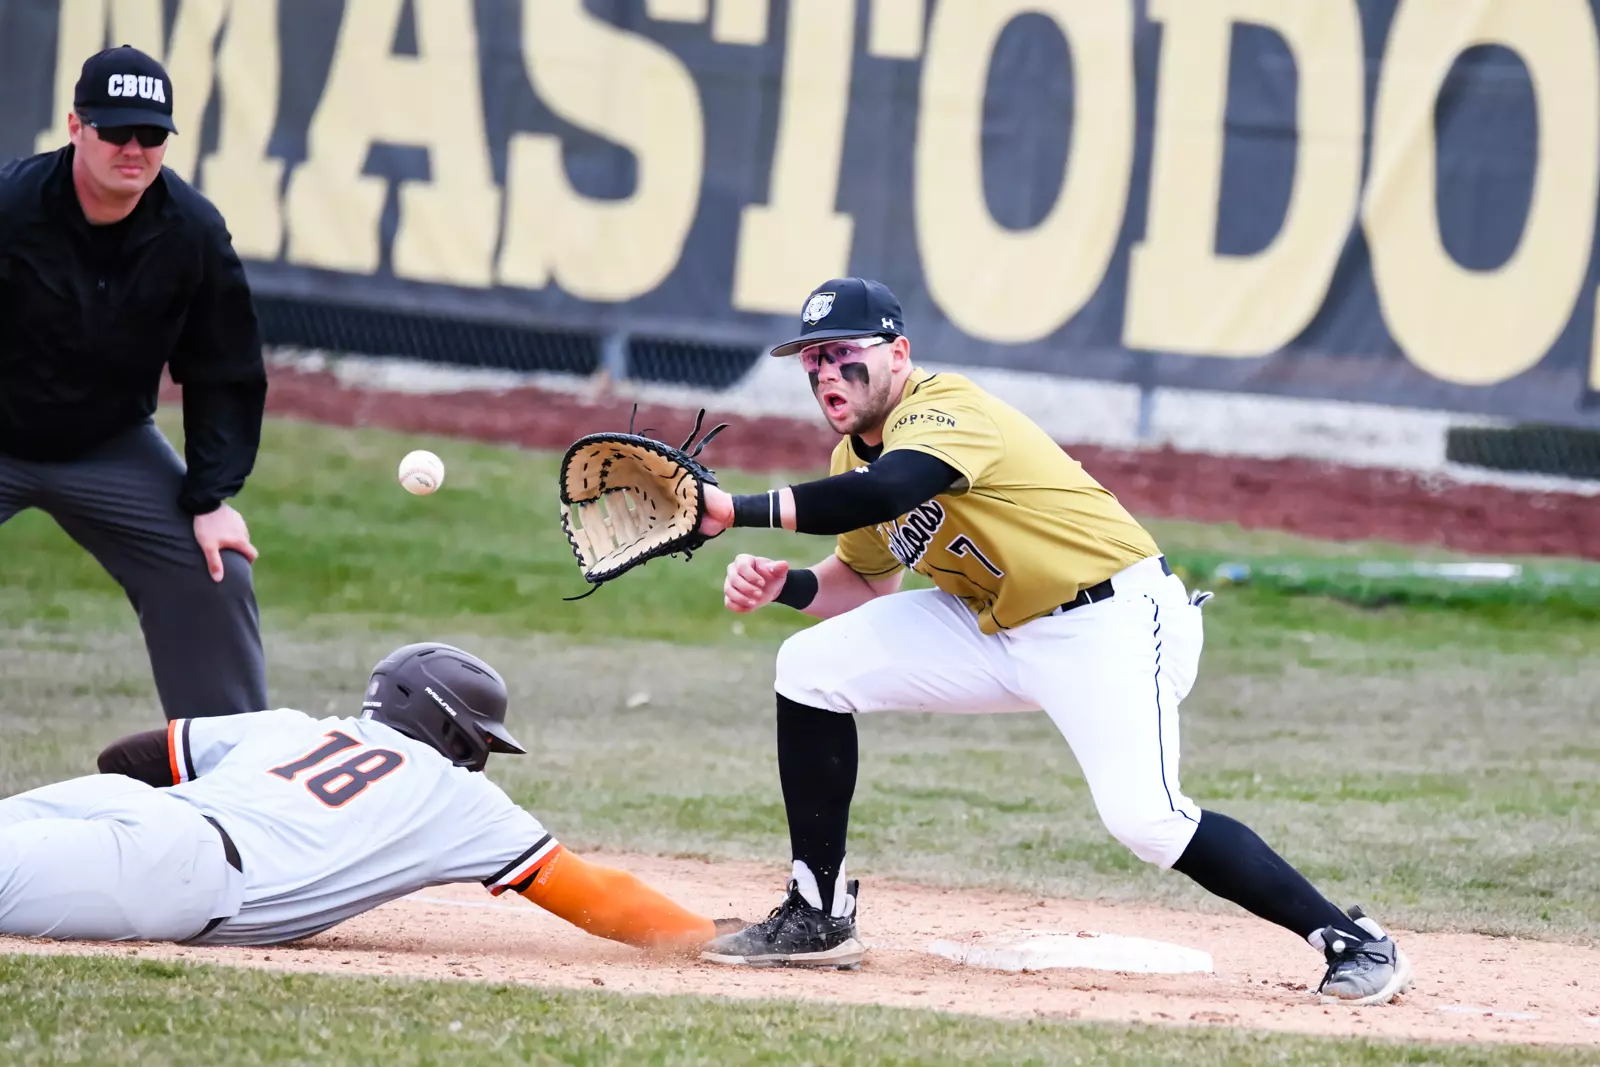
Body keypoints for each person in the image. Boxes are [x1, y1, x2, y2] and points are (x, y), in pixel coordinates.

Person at [689, 277, 1412, 1005]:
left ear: (899, 353)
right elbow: (865, 581)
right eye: (811, 359)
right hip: (993, 622)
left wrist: (736, 508)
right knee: (811, 666)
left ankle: (1354, 940)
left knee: (1147, 820)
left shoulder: (946, 408)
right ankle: (818, 914)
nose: (823, 373)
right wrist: (783, 586)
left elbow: (888, 492)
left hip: (1108, 618)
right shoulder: (852, 460)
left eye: (843, 352)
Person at [0, 641, 740, 953]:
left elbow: (127, 756)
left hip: (116, 806)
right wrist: (712, 937)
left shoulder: (296, 726)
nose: (481, 757)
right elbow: (600, 895)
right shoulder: (456, 799)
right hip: (178, 870)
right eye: (480, 741)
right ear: (453, 729)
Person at [0, 44, 268, 721]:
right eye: (115, 130)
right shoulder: (11, 208)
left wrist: (211, 496)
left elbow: (224, 366)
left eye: (151, 134)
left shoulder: (194, 233)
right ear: (74, 127)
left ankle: (234, 787)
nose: (133, 148)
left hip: (108, 444)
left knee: (217, 570)